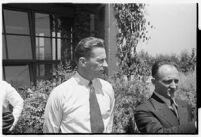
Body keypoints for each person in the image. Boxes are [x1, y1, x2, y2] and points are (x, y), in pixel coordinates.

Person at [43, 37, 115, 133]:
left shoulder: (107, 89)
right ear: (83, 62)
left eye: (105, 60)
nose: (106, 65)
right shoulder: (60, 94)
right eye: (100, 60)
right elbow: (49, 131)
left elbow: (109, 125)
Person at [134, 60, 197, 133]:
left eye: (176, 81)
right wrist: (195, 126)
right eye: (168, 81)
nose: (174, 86)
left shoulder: (185, 105)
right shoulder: (144, 110)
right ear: (154, 82)